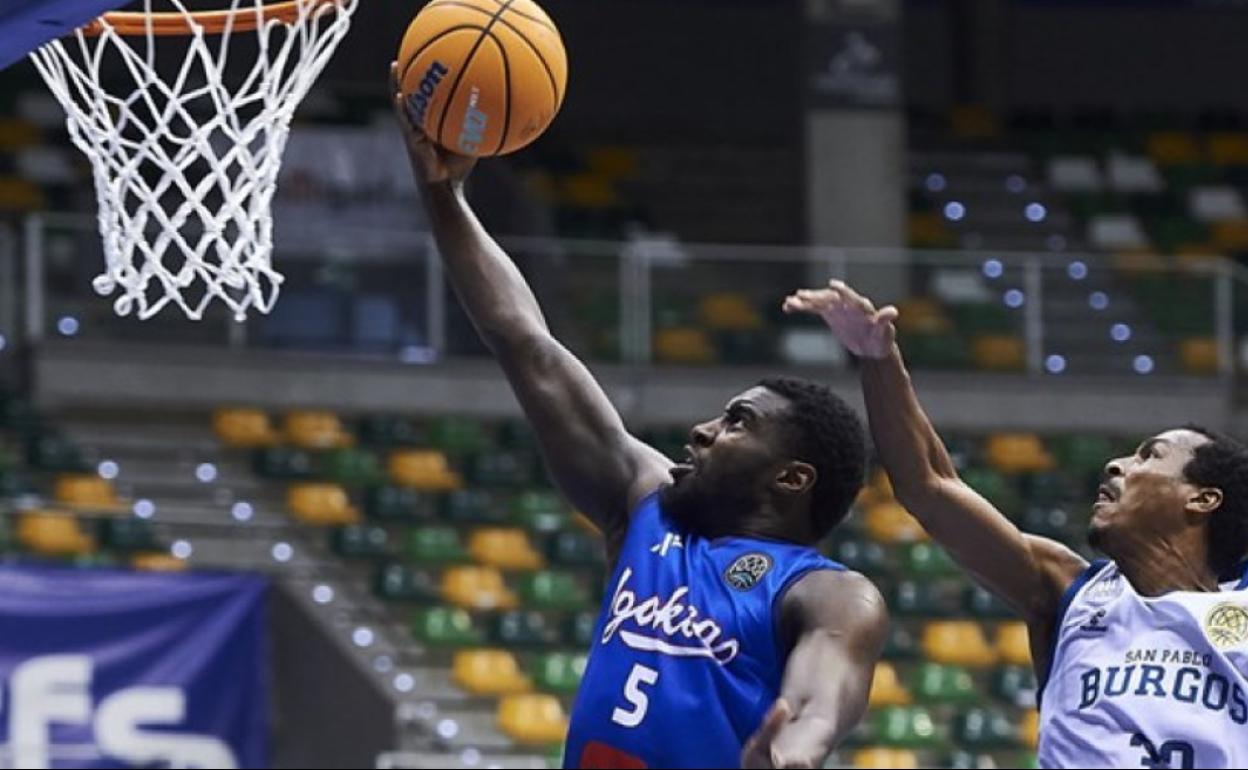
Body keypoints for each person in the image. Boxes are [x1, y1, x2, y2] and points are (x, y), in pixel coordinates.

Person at [391, 67, 888, 770]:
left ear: (793, 477)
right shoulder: (645, 505)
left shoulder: (828, 592)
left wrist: (797, 750)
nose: (702, 431)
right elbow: (525, 341)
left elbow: (822, 697)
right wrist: (444, 195)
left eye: (738, 423)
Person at [785, 280, 1248, 769]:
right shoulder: (1064, 588)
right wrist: (878, 357)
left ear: (1203, 498)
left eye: (1149, 456)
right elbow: (930, 485)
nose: (1116, 465)